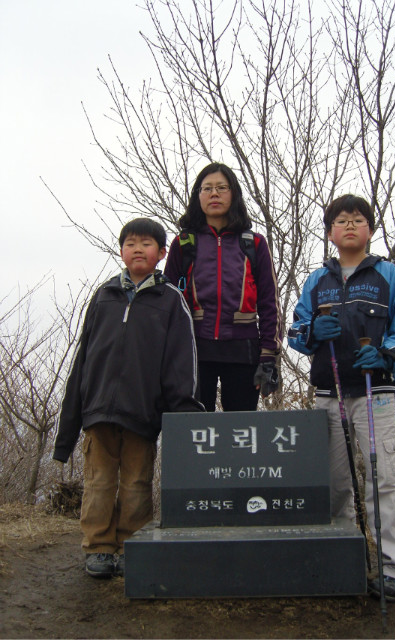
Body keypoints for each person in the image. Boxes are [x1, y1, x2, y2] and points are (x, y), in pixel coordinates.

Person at [288, 194, 395, 602]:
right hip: (328, 394)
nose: (350, 225)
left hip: (374, 392)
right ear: (330, 233)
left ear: (370, 229)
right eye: (341, 220)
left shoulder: (388, 275)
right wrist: (312, 334)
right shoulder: (316, 280)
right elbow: (295, 332)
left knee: (386, 478)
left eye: (358, 219)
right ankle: (340, 559)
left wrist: (385, 355)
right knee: (333, 481)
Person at [53, 218, 204, 579]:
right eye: (131, 243)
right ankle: (99, 546)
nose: (138, 249)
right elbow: (83, 358)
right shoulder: (104, 295)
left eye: (147, 244)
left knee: (137, 482)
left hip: (142, 411)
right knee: (98, 482)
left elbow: (181, 362)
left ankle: (131, 546)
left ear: (162, 253)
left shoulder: (171, 300)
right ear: (121, 250)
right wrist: (68, 428)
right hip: (97, 410)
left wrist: (183, 414)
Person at [164, 162, 282, 412]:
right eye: (207, 188)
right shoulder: (184, 243)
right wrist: (167, 352)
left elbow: (269, 301)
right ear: (198, 196)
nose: (214, 194)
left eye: (221, 187)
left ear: (234, 193)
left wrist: (268, 354)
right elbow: (167, 303)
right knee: (194, 428)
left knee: (240, 430)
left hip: (243, 351)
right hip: (193, 351)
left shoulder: (254, 243)